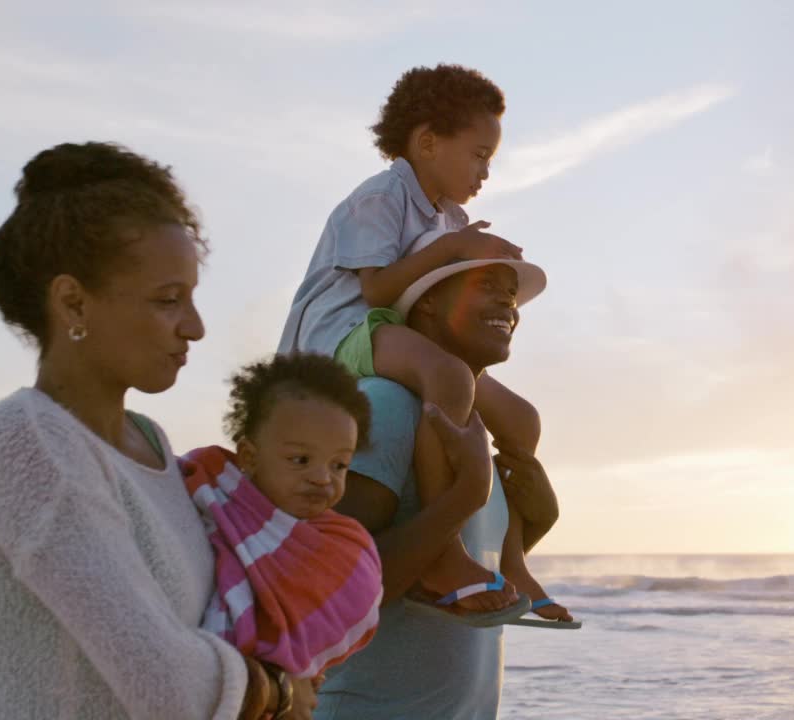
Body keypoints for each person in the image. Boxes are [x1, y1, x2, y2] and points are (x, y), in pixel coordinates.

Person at [0, 141, 313, 719]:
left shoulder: (151, 443)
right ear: (73, 303)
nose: (196, 328)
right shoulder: (27, 442)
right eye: (167, 300)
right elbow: (169, 686)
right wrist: (276, 691)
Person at [277, 63, 568, 622]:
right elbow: (378, 289)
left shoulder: (450, 218)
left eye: (491, 158)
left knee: (522, 419)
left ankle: (514, 559)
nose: (486, 170)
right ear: (428, 141)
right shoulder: (381, 197)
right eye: (478, 154)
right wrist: (451, 250)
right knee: (449, 377)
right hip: (339, 338)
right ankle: (443, 551)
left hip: (394, 336)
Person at [314, 249, 564, 719]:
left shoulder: (476, 426)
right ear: (427, 302)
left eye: (511, 295)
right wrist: (465, 496)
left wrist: (540, 522)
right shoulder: (387, 406)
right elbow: (332, 595)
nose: (507, 306)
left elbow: (470, 579)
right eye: (485, 286)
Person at [181, 352, 383, 680]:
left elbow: (352, 600)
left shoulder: (343, 546)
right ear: (248, 456)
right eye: (300, 459)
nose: (322, 478)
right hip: (219, 681)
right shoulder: (213, 499)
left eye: (339, 465)